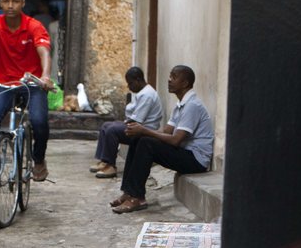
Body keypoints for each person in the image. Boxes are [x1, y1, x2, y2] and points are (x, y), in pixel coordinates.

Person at [0, 0, 54, 185]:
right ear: (1, 3)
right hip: (4, 83)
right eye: (6, 1)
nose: (10, 5)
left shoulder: (34, 25)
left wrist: (45, 76)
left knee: (39, 120)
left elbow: (44, 51)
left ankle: (38, 159)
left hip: (32, 83)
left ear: (23, 3)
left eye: (15, 1)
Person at [112, 64, 215, 214]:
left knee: (146, 142)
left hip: (196, 161)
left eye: (174, 77)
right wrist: (141, 132)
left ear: (185, 83)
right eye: (170, 76)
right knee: (139, 139)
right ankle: (128, 192)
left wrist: (144, 130)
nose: (169, 80)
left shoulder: (192, 105)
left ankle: (137, 197)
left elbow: (175, 140)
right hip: (185, 153)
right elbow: (166, 131)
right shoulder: (181, 104)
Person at [91, 66, 165, 180]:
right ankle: (104, 161)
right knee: (106, 125)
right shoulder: (142, 92)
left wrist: (121, 124)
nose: (129, 87)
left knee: (112, 130)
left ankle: (111, 166)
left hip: (145, 130)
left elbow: (137, 120)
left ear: (138, 80)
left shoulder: (147, 95)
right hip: (137, 125)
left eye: (130, 83)